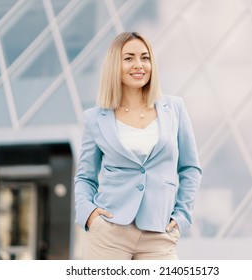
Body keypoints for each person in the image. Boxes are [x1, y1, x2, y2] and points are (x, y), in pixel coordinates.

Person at [74, 31, 202, 260]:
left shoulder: (174, 109)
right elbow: (85, 177)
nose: (139, 65)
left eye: (145, 57)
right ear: (115, 64)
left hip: (159, 233)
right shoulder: (95, 118)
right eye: (129, 58)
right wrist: (89, 214)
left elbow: (190, 169)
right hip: (109, 233)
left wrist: (182, 217)